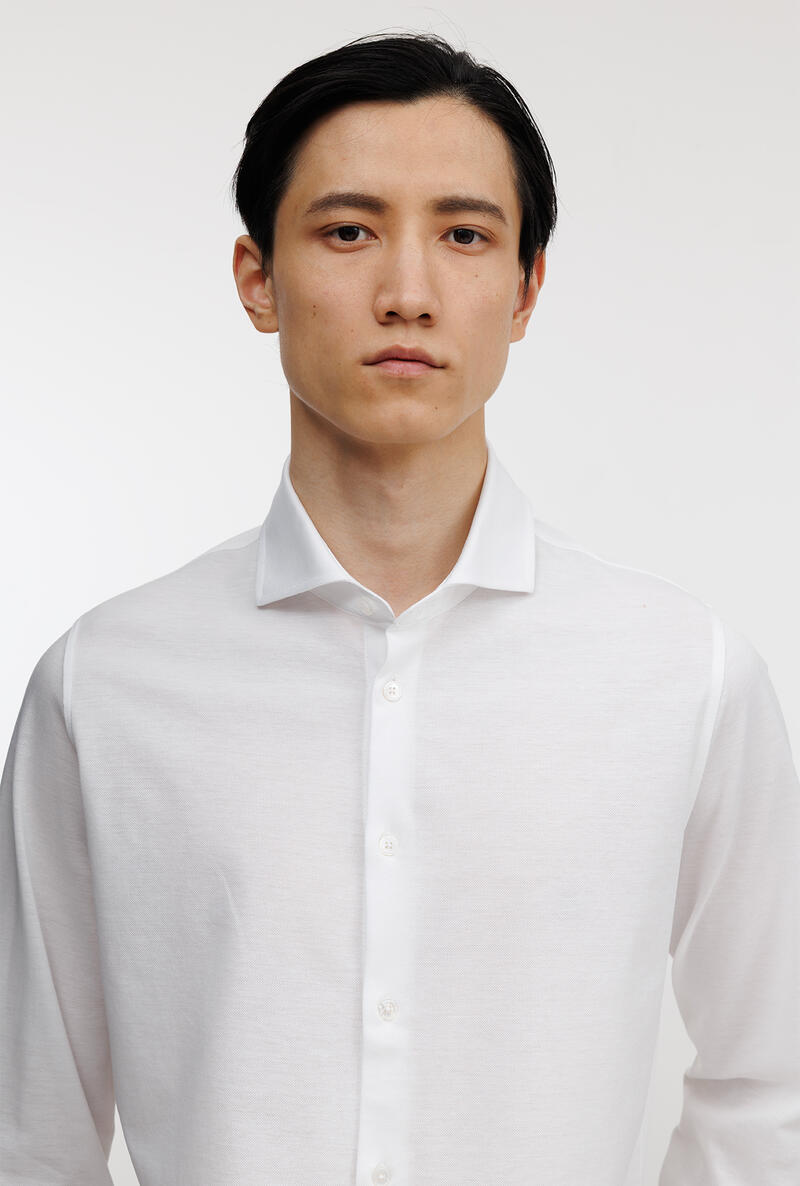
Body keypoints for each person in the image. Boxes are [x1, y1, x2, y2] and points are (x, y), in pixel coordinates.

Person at [1, 30, 798, 1186]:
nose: (407, 294)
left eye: (463, 235)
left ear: (524, 289)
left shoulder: (684, 674)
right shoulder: (106, 683)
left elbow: (770, 1082)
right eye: (348, 231)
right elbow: (31, 1132)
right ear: (257, 280)